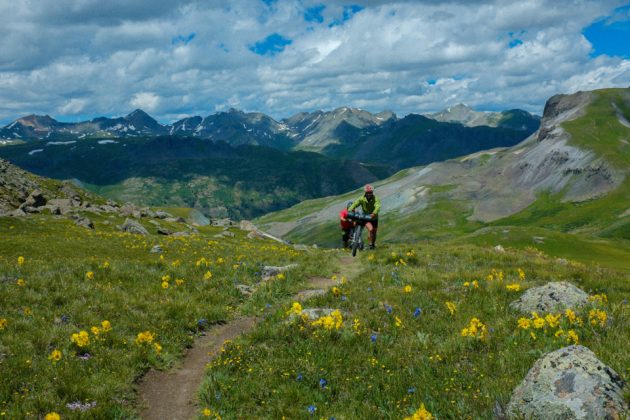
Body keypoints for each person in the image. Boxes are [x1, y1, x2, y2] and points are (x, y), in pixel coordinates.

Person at [348, 184, 381, 249]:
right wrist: (350, 209)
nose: (369, 194)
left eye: (370, 193)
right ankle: (370, 244)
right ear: (365, 193)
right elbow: (355, 204)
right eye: (367, 193)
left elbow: (378, 206)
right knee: (371, 229)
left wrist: (374, 213)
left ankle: (372, 244)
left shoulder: (376, 199)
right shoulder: (361, 199)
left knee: (374, 232)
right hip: (366, 217)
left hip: (374, 218)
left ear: (372, 192)